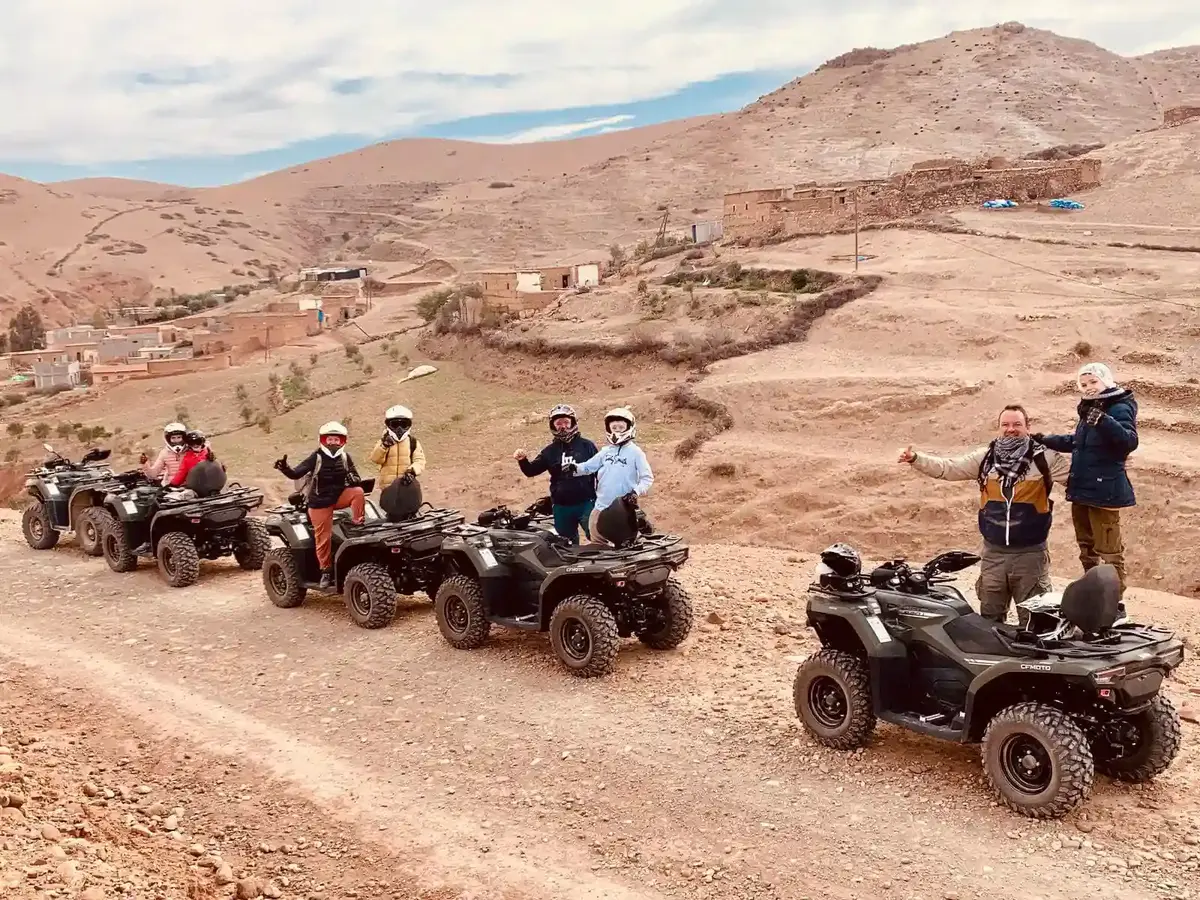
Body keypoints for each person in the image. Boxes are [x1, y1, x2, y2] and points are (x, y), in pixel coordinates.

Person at [899, 404, 1069, 622]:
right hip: (993, 555)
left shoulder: (1046, 458)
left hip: (1031, 556)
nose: (1011, 429)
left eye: (1017, 424)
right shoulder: (986, 458)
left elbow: (1079, 482)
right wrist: (915, 459)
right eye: (1005, 424)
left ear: (1028, 427)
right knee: (990, 620)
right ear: (998, 427)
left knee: (1036, 621)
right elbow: (948, 468)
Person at [1034, 363, 1138, 596]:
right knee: (1087, 548)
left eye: (1093, 382)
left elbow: (1128, 441)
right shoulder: (1091, 408)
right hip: (1082, 490)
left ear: (1106, 381)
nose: (1089, 387)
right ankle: (1094, 594)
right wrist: (1046, 440)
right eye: (1083, 384)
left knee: (1109, 552)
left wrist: (1101, 419)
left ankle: (1114, 603)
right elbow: (1078, 442)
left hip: (1104, 493)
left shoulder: (1118, 406)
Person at [274, 421, 365, 589]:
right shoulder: (315, 457)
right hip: (319, 503)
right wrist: (284, 468)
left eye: (336, 440)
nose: (332, 443)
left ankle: (358, 524)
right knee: (323, 539)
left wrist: (354, 479)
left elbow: (355, 475)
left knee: (358, 491)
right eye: (329, 439)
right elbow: (296, 473)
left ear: (342, 441)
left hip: (337, 497)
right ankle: (326, 571)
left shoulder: (345, 457)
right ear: (323, 440)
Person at [563, 408, 653, 545]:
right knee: (597, 544)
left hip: (622, 508)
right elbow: (588, 467)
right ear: (608, 429)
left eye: (621, 427)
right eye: (614, 427)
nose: (617, 430)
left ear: (629, 428)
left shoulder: (636, 453)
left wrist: (636, 492)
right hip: (601, 506)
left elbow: (647, 478)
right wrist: (574, 468)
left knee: (624, 546)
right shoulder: (605, 452)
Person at [514, 404, 599, 544]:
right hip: (561, 507)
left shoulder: (587, 446)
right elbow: (531, 471)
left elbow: (599, 471)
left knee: (598, 538)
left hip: (586, 503)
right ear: (553, 426)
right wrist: (522, 460)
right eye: (558, 423)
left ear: (573, 422)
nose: (563, 426)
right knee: (566, 545)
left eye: (566, 422)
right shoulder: (549, 451)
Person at [369, 405, 426, 491]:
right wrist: (384, 446)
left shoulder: (413, 442)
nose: (399, 429)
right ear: (388, 424)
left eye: (403, 425)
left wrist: (412, 471)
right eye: (395, 425)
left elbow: (420, 461)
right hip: (387, 487)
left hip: (406, 485)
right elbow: (375, 459)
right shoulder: (383, 441)